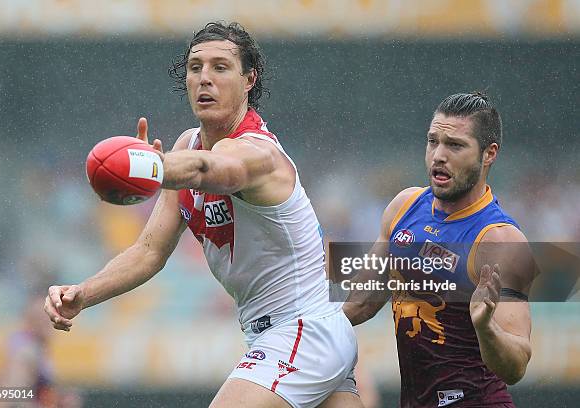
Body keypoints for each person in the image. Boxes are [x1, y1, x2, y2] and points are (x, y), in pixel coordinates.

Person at [44, 22, 362, 408]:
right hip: (292, 334)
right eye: (195, 68)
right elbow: (149, 251)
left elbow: (213, 171)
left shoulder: (259, 153)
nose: (204, 79)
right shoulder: (187, 144)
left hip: (302, 331)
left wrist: (153, 166)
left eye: (220, 67)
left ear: (249, 80)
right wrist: (83, 293)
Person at [344, 92, 535, 407]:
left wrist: (485, 327)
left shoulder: (500, 241)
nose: (438, 155)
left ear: (489, 154)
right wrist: (294, 324)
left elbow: (516, 367)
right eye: (433, 141)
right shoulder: (403, 207)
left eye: (455, 145)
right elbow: (360, 303)